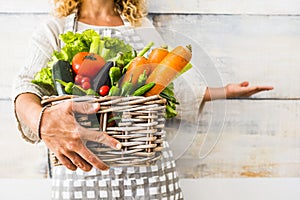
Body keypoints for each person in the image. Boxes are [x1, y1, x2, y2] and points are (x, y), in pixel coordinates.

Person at [13, 0, 273, 199]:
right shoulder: (55, 29)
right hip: (83, 170)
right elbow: (25, 87)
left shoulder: (140, 26)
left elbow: (168, 88)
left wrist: (223, 91)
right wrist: (41, 121)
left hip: (149, 173)